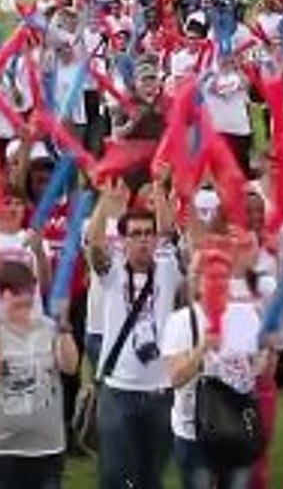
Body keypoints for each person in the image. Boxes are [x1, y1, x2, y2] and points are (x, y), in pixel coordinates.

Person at [87, 199, 183, 489]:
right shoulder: (113, 272)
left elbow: (171, 231)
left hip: (159, 389)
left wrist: (160, 192)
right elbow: (94, 244)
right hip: (119, 388)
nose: (143, 240)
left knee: (151, 475)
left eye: (148, 234)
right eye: (135, 234)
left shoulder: (168, 269)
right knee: (116, 474)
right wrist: (104, 200)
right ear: (123, 241)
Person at [163, 249, 268, 489]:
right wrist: (203, 348)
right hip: (196, 432)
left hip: (238, 428)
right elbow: (176, 378)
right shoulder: (181, 321)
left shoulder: (245, 315)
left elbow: (259, 371)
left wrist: (264, 354)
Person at [0, 262, 78, 489]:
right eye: (16, 293)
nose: (24, 299)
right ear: (0, 295)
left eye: (28, 291)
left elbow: (70, 367)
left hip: (46, 448)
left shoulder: (48, 327)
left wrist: (64, 328)